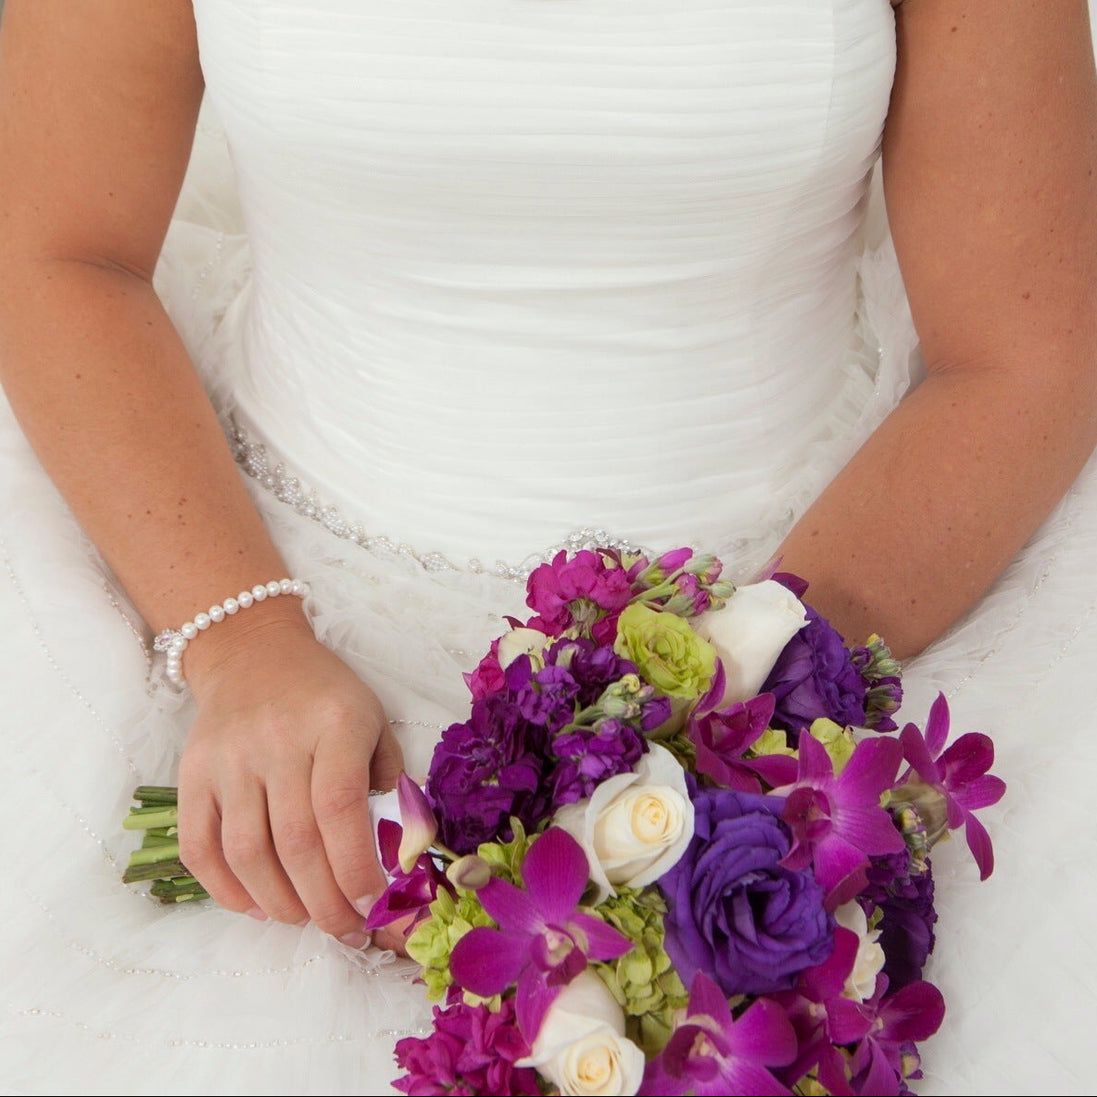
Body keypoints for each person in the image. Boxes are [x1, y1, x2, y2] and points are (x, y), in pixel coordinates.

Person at [0, 1, 1095, 1094]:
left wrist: (742, 697)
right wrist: (239, 640)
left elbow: (1018, 351)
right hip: (241, 557)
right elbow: (57, 248)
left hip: (848, 563)